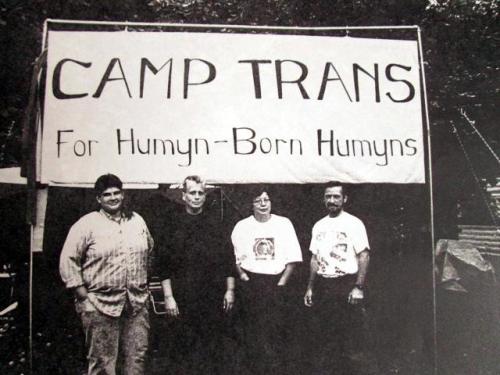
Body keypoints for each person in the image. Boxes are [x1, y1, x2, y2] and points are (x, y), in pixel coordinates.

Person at [59, 173, 154, 375]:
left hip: (136, 303)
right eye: (107, 194)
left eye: (117, 193)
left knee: (137, 358)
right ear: (99, 199)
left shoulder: (137, 221)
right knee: (103, 363)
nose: (113, 198)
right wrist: (84, 297)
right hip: (100, 305)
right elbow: (68, 260)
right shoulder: (86, 225)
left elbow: (150, 253)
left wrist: (142, 285)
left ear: (123, 194)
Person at [157, 175, 236, 374]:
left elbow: (228, 260)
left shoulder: (216, 225)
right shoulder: (172, 226)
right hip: (183, 299)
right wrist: (169, 297)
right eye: (192, 192)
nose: (197, 197)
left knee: (211, 350)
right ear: (184, 196)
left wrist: (230, 290)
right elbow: (164, 265)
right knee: (183, 351)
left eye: (201, 193)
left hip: (211, 298)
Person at [304, 181, 375, 374]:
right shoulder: (319, 225)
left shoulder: (354, 223)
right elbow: (314, 258)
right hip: (323, 285)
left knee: (351, 341)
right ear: (323, 199)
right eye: (328, 196)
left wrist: (358, 287)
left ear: (344, 199)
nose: (332, 200)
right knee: (325, 340)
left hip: (346, 285)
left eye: (336, 196)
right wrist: (310, 287)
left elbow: (364, 255)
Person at [231, 187, 303, 374]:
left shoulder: (284, 224)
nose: (263, 204)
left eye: (266, 200)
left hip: (276, 284)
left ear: (271, 203)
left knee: (275, 333)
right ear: (251, 204)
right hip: (251, 285)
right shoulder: (242, 226)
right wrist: (244, 277)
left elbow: (293, 259)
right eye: (258, 201)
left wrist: (281, 284)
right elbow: (235, 258)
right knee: (252, 334)